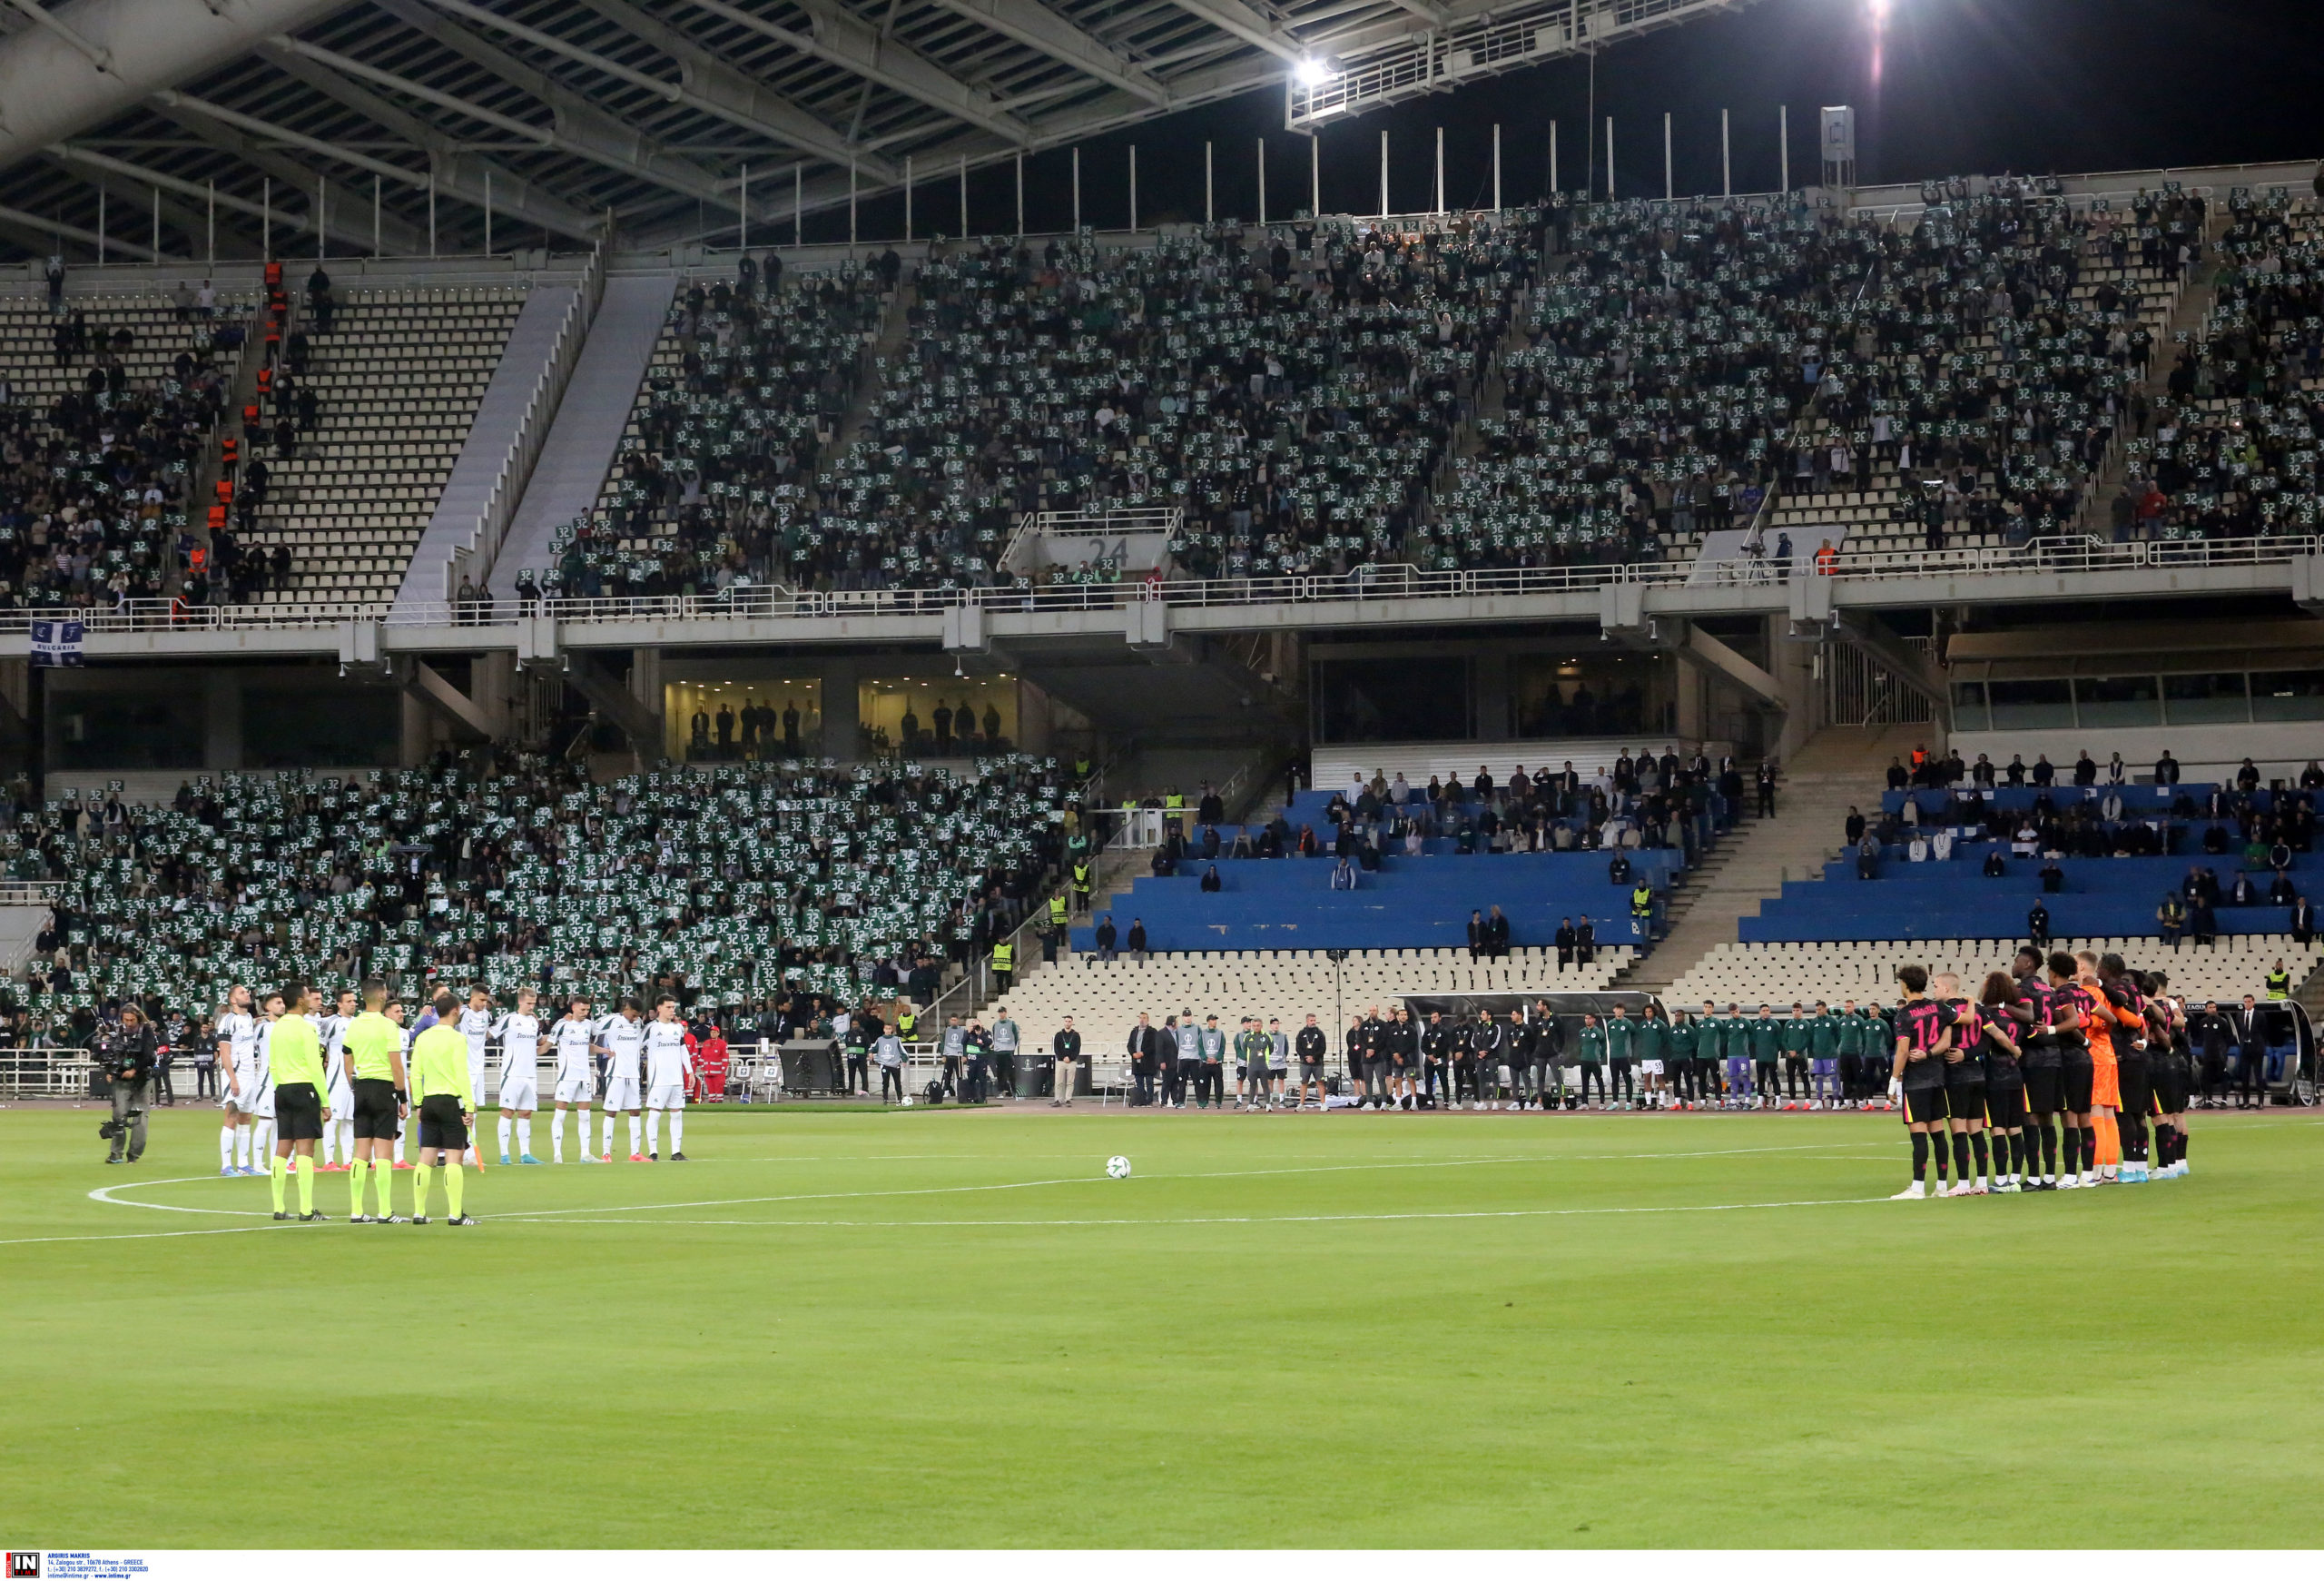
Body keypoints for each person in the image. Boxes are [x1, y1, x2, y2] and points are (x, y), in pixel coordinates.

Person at [407, 991, 478, 1226]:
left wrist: (418, 1102)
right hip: (450, 1101)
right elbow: (461, 1074)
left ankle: (419, 1212)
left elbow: (415, 1073)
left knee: (425, 1157)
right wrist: (469, 1105)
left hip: (429, 1100)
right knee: (453, 1158)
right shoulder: (457, 1039)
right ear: (456, 1010)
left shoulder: (424, 1038)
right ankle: (455, 1214)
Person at [340, 979, 408, 1221]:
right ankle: (385, 1211)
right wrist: (402, 1097)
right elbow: (396, 1065)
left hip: (362, 1088)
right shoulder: (388, 1026)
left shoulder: (354, 1024)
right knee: (383, 1152)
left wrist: (353, 1084)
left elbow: (346, 1057)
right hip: (383, 1088)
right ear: (381, 995)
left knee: (360, 1152)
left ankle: (357, 1211)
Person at [265, 983, 331, 1222]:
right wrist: (324, 1100)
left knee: (283, 1146)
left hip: (282, 1089)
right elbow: (315, 1066)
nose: (310, 999)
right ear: (300, 1001)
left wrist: (280, 1086)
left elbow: (272, 1063)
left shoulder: (277, 1028)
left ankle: (279, 1206)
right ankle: (306, 1209)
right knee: (305, 1150)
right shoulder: (306, 1028)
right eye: (307, 996)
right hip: (304, 1089)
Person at [1889, 965, 1954, 1200]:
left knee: (1918, 1134)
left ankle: (1917, 1188)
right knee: (1938, 1132)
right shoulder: (1939, 1007)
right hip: (1938, 1077)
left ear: (1905, 984)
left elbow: (1903, 1050)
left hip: (1916, 1080)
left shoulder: (1904, 1015)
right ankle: (1942, 1186)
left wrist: (1893, 1079)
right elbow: (1951, 1031)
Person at [1933, 974, 1990, 1195]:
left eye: (1937, 986)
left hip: (1955, 1076)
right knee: (1976, 1131)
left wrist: (1960, 1055)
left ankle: (1964, 1183)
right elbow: (1987, 1041)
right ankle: (1982, 1183)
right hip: (1977, 1073)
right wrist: (1969, 1054)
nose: (1935, 990)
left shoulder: (1944, 1011)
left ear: (1947, 988)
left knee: (1958, 1131)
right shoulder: (1978, 1010)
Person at [492, 988, 545, 1166]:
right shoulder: (509, 1019)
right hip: (512, 1073)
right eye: (529, 1003)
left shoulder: (534, 1022)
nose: (532, 1007)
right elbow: (490, 1034)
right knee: (508, 1112)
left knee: (526, 1113)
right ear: (520, 1001)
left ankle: (525, 1154)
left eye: (534, 1003)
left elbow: (540, 1041)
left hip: (530, 1074)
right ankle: (504, 1155)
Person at [99, 1005, 156, 1165]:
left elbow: (149, 1054)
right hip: (121, 1080)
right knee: (119, 1116)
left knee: (140, 1117)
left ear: (138, 1018)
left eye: (132, 1020)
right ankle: (116, 1154)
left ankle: (134, 1154)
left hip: (142, 1078)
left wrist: (135, 1070)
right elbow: (109, 1054)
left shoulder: (146, 1031)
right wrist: (110, 1071)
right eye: (126, 1020)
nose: (129, 1023)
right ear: (121, 1019)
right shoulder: (116, 1032)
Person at [216, 983, 262, 1177]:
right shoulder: (228, 1020)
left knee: (246, 1119)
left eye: (247, 991)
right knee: (231, 1117)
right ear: (233, 1000)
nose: (247, 994)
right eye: (242, 993)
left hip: (250, 1076)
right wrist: (232, 1079)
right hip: (235, 1077)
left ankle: (243, 1164)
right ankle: (226, 1165)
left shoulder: (249, 1018)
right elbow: (224, 1053)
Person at [595, 996, 649, 1162]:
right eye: (633, 1014)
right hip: (616, 1073)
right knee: (611, 1112)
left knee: (635, 1111)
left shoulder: (638, 1023)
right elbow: (591, 1028)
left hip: (633, 1074)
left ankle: (635, 1153)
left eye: (638, 1015)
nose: (635, 1018)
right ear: (626, 1008)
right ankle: (606, 1153)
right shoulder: (611, 1021)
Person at [643, 994, 695, 1161]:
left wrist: (689, 1071)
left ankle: (676, 1151)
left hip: (676, 1078)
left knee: (677, 1113)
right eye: (669, 1007)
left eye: (673, 1007)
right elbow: (636, 1045)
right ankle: (653, 1151)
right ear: (659, 1008)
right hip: (659, 1079)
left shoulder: (677, 1028)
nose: (672, 1010)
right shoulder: (651, 1028)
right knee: (655, 1113)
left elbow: (682, 1049)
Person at [547, 996, 597, 1164]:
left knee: (585, 1116)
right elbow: (548, 1044)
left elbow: (587, 1045)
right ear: (574, 1008)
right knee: (560, 1116)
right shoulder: (562, 1025)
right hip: (567, 1077)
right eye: (582, 1010)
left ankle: (585, 1154)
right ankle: (557, 1155)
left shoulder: (589, 1025)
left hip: (584, 1076)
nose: (585, 1013)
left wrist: (604, 1050)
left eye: (587, 1010)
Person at [1295, 1013, 1327, 1110]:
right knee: (1304, 1082)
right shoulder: (1301, 1033)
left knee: (1320, 1082)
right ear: (1307, 1021)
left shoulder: (1320, 1033)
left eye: (1314, 1020)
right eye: (1311, 1020)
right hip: (1305, 1063)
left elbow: (1323, 1048)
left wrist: (1314, 1057)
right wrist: (1306, 1057)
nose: (1313, 1022)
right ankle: (1301, 1104)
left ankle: (1323, 1104)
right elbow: (1298, 1048)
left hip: (1317, 1063)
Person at [1050, 1016, 1080, 1106]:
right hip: (1060, 1061)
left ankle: (1068, 1099)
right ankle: (1058, 1100)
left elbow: (1077, 1049)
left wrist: (1070, 1058)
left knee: (1070, 1082)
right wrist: (1062, 1057)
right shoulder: (1059, 1035)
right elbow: (1056, 1048)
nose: (1067, 1023)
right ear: (1064, 1022)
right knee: (1059, 1082)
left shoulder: (1076, 1035)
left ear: (1072, 1023)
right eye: (1066, 1021)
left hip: (1072, 1061)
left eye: (1069, 1021)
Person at [874, 1023, 907, 1103]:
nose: (888, 1030)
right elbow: (874, 1048)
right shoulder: (880, 1039)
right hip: (885, 1064)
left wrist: (904, 1059)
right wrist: (870, 1052)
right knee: (885, 1082)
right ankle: (885, 1098)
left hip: (895, 1064)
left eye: (889, 1029)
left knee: (897, 1082)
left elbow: (902, 1050)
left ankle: (899, 1098)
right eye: (886, 1029)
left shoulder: (896, 1039)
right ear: (884, 1029)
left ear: (892, 1030)